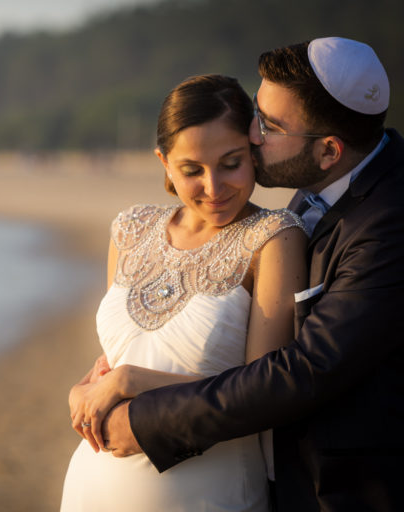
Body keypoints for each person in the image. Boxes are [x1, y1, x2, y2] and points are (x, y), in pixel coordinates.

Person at [101, 37, 404, 511]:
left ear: (329, 151)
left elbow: (305, 370)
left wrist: (141, 409)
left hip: (349, 493)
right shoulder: (319, 182)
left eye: (270, 125)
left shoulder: (391, 222)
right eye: (257, 115)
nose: (253, 134)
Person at [59, 74, 307, 511]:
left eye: (231, 163)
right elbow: (121, 356)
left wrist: (131, 381)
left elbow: (264, 393)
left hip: (212, 491)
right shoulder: (131, 230)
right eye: (192, 170)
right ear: (165, 163)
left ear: (252, 152)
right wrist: (81, 392)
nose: (214, 188)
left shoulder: (273, 237)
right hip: (92, 486)